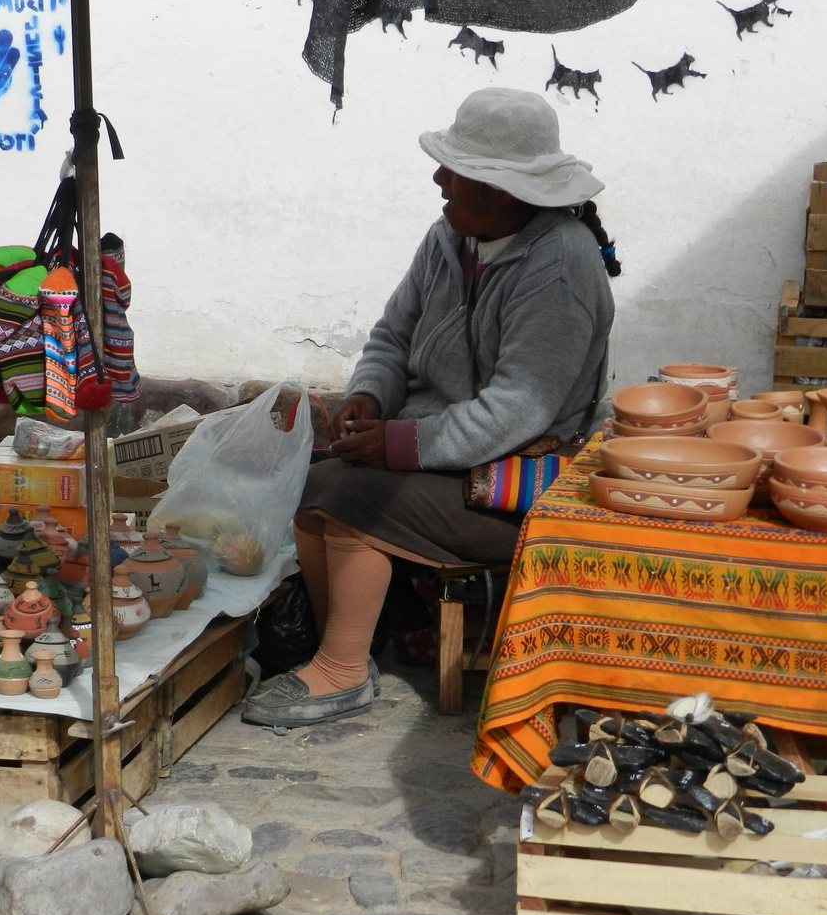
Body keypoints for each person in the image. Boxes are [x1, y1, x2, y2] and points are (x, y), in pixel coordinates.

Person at [243, 87, 619, 729]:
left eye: (457, 171)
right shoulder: (452, 238)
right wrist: (370, 395)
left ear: (501, 191)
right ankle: (346, 647)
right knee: (316, 483)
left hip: (524, 484)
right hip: (443, 457)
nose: (439, 179)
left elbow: (518, 408)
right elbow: (394, 335)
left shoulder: (560, 267)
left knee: (350, 498)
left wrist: (396, 443)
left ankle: (342, 671)